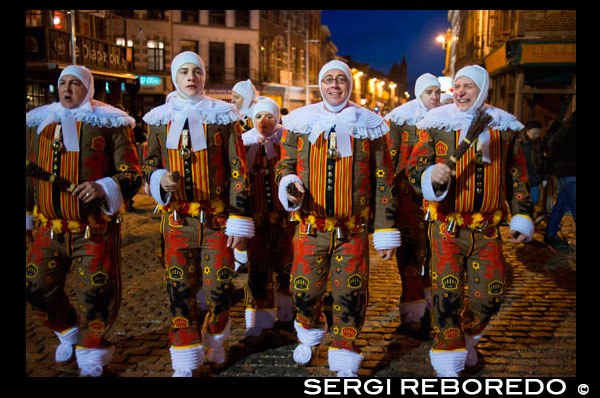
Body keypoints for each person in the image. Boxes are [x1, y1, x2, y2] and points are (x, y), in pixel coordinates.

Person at [275, 60, 401, 377]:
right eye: (329, 79)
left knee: (351, 294)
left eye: (340, 80)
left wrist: (385, 229)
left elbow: (383, 180)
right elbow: (284, 166)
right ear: (321, 85)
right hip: (310, 226)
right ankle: (310, 327)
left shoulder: (369, 125)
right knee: (304, 292)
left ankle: (344, 348)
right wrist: (289, 186)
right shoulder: (300, 123)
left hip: (353, 230)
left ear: (349, 85)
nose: (334, 85)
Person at [408, 65, 532, 377]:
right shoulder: (435, 124)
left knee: (490, 295)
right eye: (457, 86)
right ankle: (448, 358)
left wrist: (521, 215)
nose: (459, 92)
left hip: (488, 229)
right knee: (446, 295)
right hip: (447, 227)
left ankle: (469, 335)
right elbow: (414, 168)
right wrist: (428, 176)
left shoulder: (504, 127)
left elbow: (516, 175)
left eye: (468, 87)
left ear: (482, 89)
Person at [142, 51, 254, 376]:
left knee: (219, 290)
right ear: (175, 79)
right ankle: (186, 357)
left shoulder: (224, 116)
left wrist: (239, 216)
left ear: (204, 77)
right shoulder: (159, 120)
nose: (191, 77)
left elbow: (238, 170)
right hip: (177, 220)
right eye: (184, 72)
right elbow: (149, 162)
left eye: (197, 72)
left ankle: (217, 334)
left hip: (218, 221)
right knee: (180, 291)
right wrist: (158, 179)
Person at [25, 65, 142, 376]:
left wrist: (103, 186)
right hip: (48, 228)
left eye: (74, 83)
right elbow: (28, 176)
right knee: (36, 288)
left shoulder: (109, 123)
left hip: (94, 228)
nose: (67, 88)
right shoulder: (38, 123)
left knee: (97, 292)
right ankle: (67, 331)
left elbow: (131, 173)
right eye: (62, 82)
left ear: (87, 88)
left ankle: (92, 348)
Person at [385, 73, 441, 337]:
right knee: (410, 253)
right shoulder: (399, 119)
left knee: (436, 254)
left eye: (437, 92)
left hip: (439, 198)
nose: (434, 97)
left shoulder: (447, 118)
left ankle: (432, 307)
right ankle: (413, 313)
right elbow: (390, 161)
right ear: (419, 93)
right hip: (408, 197)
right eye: (429, 92)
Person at [240, 98, 294, 338]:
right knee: (258, 269)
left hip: (285, 221)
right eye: (260, 117)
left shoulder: (286, 143)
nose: (264, 122)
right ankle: (260, 316)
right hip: (257, 222)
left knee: (287, 266)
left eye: (270, 117)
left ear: (277, 119)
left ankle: (287, 311)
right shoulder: (245, 144)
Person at [543, 111, 576, 249]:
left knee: (561, 205)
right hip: (571, 172)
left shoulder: (565, 129)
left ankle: (550, 234)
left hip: (565, 172)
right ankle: (550, 234)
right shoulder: (571, 130)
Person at [518, 121, 546, 209]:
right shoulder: (520, 144)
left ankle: (530, 215)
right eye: (534, 133)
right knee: (521, 199)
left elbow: (542, 161)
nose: (537, 135)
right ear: (527, 132)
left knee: (534, 199)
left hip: (535, 177)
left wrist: (544, 177)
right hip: (522, 177)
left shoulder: (539, 144)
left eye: (538, 133)